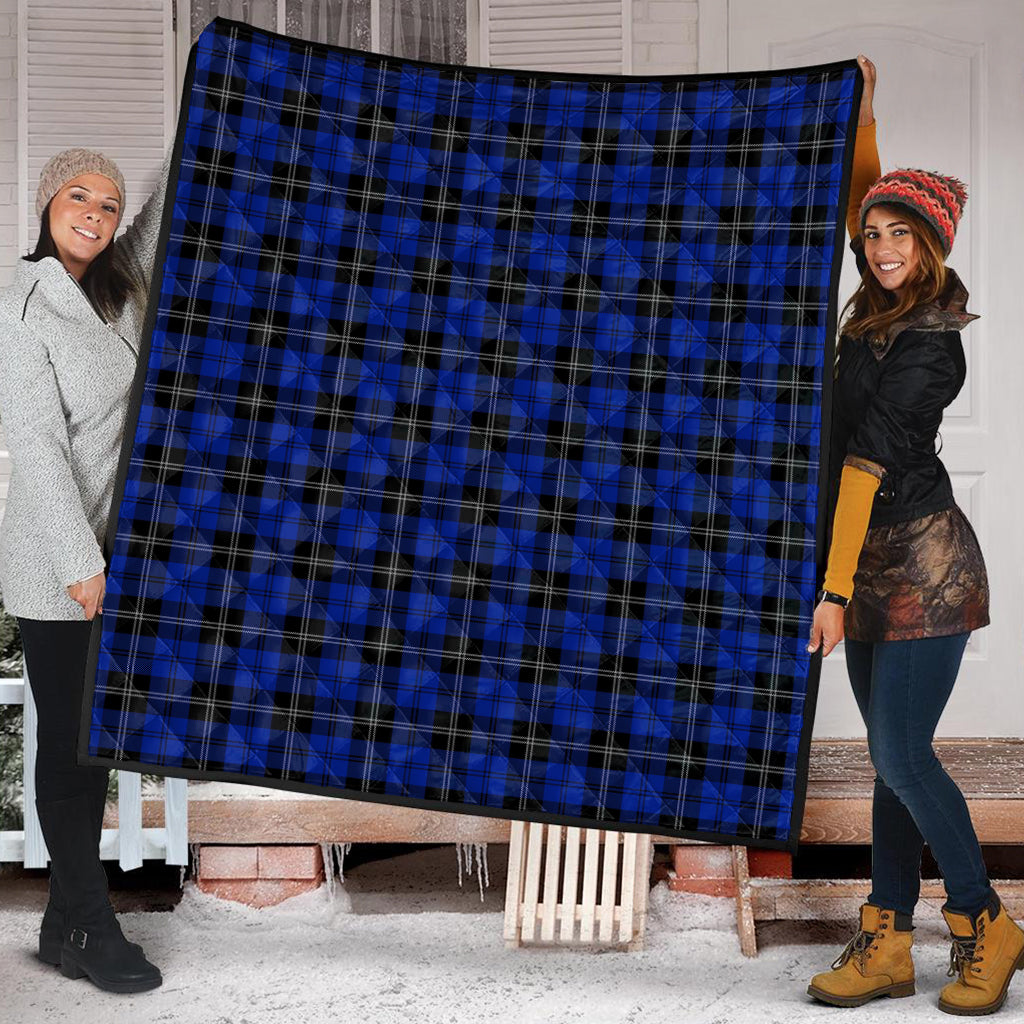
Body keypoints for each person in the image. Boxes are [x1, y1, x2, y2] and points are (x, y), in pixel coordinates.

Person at [804, 56, 1024, 1014]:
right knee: (893, 759)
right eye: (875, 234)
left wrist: (832, 591)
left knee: (899, 756)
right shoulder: (874, 308)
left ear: (932, 244)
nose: (884, 246)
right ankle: (887, 939)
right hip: (865, 561)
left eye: (903, 234)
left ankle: (986, 922)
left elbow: (866, 467)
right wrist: (862, 110)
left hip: (924, 571)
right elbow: (860, 196)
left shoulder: (930, 341)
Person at [0, 140, 172, 993]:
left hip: (115, 552)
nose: (95, 213)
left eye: (107, 203)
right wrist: (79, 564)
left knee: (94, 743)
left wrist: (224, 89)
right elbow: (33, 444)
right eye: (78, 196)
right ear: (47, 203)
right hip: (57, 559)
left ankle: (57, 924)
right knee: (72, 751)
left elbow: (170, 199)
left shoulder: (119, 286)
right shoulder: (20, 302)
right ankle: (90, 926)